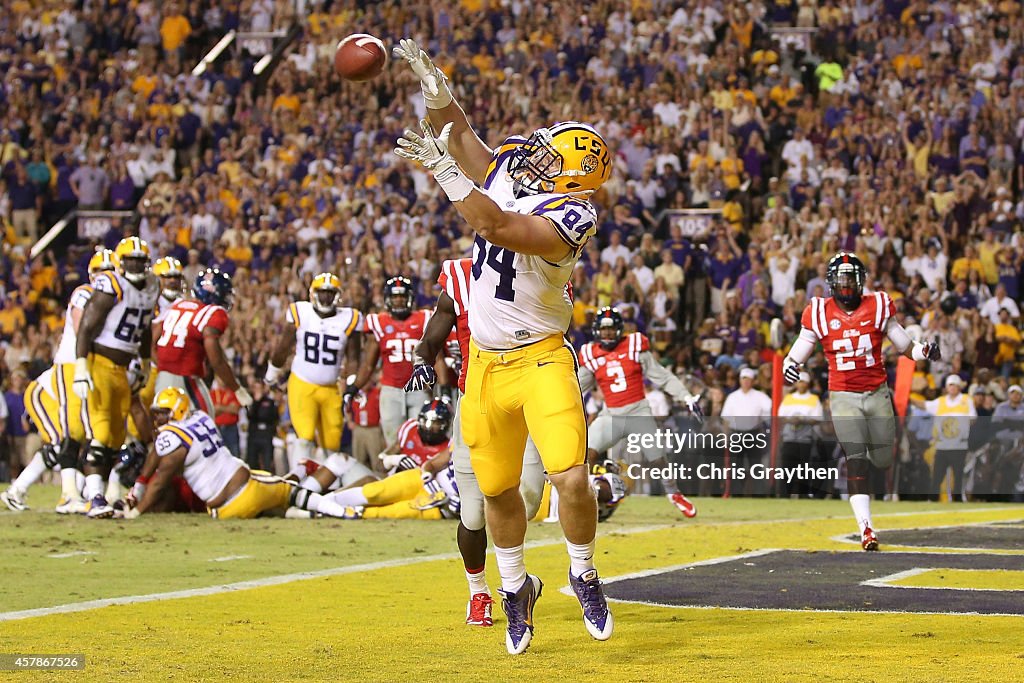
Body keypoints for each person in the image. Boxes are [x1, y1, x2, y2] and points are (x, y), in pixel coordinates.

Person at [394, 37, 615, 654]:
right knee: (494, 491)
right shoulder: (518, 171)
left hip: (542, 356)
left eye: (549, 157)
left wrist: (441, 173)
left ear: (572, 179)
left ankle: (583, 569)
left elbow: (497, 225)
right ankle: (516, 588)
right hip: (487, 364)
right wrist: (435, 88)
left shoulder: (573, 218)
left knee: (572, 478)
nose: (532, 157)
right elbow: (462, 136)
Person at [406, 257, 547, 628]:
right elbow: (430, 340)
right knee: (472, 511)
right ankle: (479, 591)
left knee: (528, 502)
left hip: (526, 401)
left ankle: (521, 584)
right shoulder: (459, 276)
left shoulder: (541, 264)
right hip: (476, 403)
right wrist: (421, 360)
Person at [783, 252, 940, 550]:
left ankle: (869, 474)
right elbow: (797, 353)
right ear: (831, 282)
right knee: (855, 458)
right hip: (842, 395)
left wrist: (925, 352)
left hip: (877, 392)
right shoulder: (817, 311)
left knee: (881, 460)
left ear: (861, 281)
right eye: (840, 279)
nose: (846, 285)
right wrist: (789, 365)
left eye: (850, 278)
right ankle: (866, 529)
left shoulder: (879, 304)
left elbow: (906, 346)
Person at [578, 307, 703, 515]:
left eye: (611, 329)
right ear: (597, 331)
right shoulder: (592, 354)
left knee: (657, 458)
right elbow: (576, 387)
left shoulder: (634, 347)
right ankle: (584, 496)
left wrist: (686, 396)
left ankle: (674, 494)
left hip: (638, 412)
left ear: (619, 330)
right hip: (611, 415)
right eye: (603, 329)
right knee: (585, 453)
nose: (607, 333)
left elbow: (661, 376)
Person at [71, 237, 160, 518]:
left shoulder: (152, 286)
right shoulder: (111, 284)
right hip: (99, 363)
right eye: (130, 259)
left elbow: (145, 328)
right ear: (121, 263)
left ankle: (101, 495)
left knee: (118, 437)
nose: (135, 264)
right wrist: (81, 365)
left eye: (140, 260)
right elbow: (87, 325)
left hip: (123, 368)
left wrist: (145, 362)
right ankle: (94, 498)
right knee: (101, 432)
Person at [127, 387, 293, 520]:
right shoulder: (200, 417)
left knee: (287, 491)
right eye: (156, 414)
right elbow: (158, 449)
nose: (158, 419)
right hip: (239, 479)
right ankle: (306, 502)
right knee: (287, 491)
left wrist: (135, 513)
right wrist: (140, 484)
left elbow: (159, 481)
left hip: (222, 502)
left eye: (162, 413)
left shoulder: (176, 437)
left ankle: (307, 486)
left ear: (177, 411)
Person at [265, 273, 367, 480]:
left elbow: (354, 356)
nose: (326, 298)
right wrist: (272, 373)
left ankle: (330, 485)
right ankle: (299, 485)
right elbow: (283, 347)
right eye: (322, 293)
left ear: (337, 295)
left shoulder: (350, 317)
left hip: (331, 387)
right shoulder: (300, 312)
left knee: (332, 442)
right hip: (302, 382)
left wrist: (351, 384)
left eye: (330, 293)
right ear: (313, 294)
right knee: (305, 437)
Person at [292, 398, 456, 520]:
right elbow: (379, 465)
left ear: (445, 425)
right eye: (425, 420)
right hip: (389, 482)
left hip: (416, 496)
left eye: (435, 423)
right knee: (340, 461)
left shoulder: (446, 448)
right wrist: (392, 460)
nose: (428, 427)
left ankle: (316, 505)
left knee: (380, 497)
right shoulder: (409, 430)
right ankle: (303, 496)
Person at [51, 249, 119, 514]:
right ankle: (69, 493)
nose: (107, 278)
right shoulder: (84, 293)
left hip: (95, 367)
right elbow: (83, 329)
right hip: (72, 364)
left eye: (111, 272)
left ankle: (91, 492)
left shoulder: (118, 300)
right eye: (103, 272)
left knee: (97, 431)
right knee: (75, 428)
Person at [345, 276, 433, 445]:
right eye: (395, 296)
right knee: (394, 441)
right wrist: (354, 387)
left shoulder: (424, 319)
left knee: (421, 440)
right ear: (388, 299)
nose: (399, 300)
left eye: (402, 296)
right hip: (391, 390)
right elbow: (369, 364)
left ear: (410, 298)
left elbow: (437, 355)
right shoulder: (379, 322)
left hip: (419, 388)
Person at [912, 375, 977, 501]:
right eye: (950, 385)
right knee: (937, 475)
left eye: (955, 385)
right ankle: (933, 499)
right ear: (947, 387)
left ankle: (957, 500)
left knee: (958, 475)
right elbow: (924, 405)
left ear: (959, 387)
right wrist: (909, 399)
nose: (952, 387)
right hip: (943, 444)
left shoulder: (966, 400)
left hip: (959, 444)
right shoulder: (940, 401)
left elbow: (973, 418)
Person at [720, 367, 773, 496]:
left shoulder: (761, 396)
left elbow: (769, 414)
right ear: (740, 380)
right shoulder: (733, 397)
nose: (746, 382)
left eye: (749, 379)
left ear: (753, 381)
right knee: (736, 466)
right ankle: (736, 493)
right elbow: (726, 419)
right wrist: (726, 437)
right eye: (744, 379)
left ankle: (758, 493)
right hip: (736, 434)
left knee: (755, 465)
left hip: (754, 433)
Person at [777, 371, 824, 497]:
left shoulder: (814, 399)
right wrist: (791, 420)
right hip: (789, 438)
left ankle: (803, 495)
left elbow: (817, 418)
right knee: (787, 468)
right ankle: (784, 494)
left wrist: (802, 420)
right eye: (799, 381)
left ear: (807, 384)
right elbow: (781, 416)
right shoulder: (789, 398)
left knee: (803, 469)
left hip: (805, 439)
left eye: (803, 382)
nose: (801, 384)